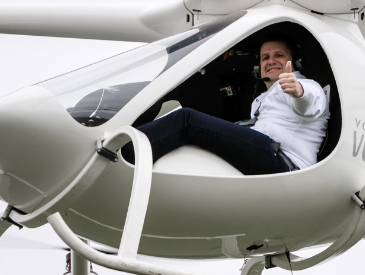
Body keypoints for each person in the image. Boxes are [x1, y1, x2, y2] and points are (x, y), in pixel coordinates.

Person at [131, 36, 330, 175]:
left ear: (295, 62)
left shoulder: (304, 85)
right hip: (269, 153)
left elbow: (311, 104)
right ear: (257, 66)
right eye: (265, 57)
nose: (271, 61)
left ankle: (127, 152)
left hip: (285, 161)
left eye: (279, 55)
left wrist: (298, 92)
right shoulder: (263, 98)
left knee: (186, 119)